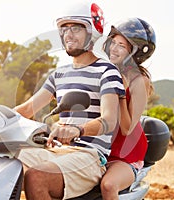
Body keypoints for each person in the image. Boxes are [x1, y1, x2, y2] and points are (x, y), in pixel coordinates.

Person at [14, 2, 125, 199]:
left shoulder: (107, 72)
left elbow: (109, 120)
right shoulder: (59, 74)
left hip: (88, 155)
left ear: (92, 33)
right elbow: (28, 108)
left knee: (36, 177)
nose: (68, 35)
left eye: (76, 28)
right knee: (1, 160)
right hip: (55, 150)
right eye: (64, 29)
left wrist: (77, 129)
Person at [99, 18, 156, 199]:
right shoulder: (105, 71)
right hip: (99, 147)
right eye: (113, 42)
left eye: (122, 46)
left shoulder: (140, 80)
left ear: (134, 52)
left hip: (125, 153)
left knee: (108, 186)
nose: (114, 48)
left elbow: (127, 128)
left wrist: (121, 93)